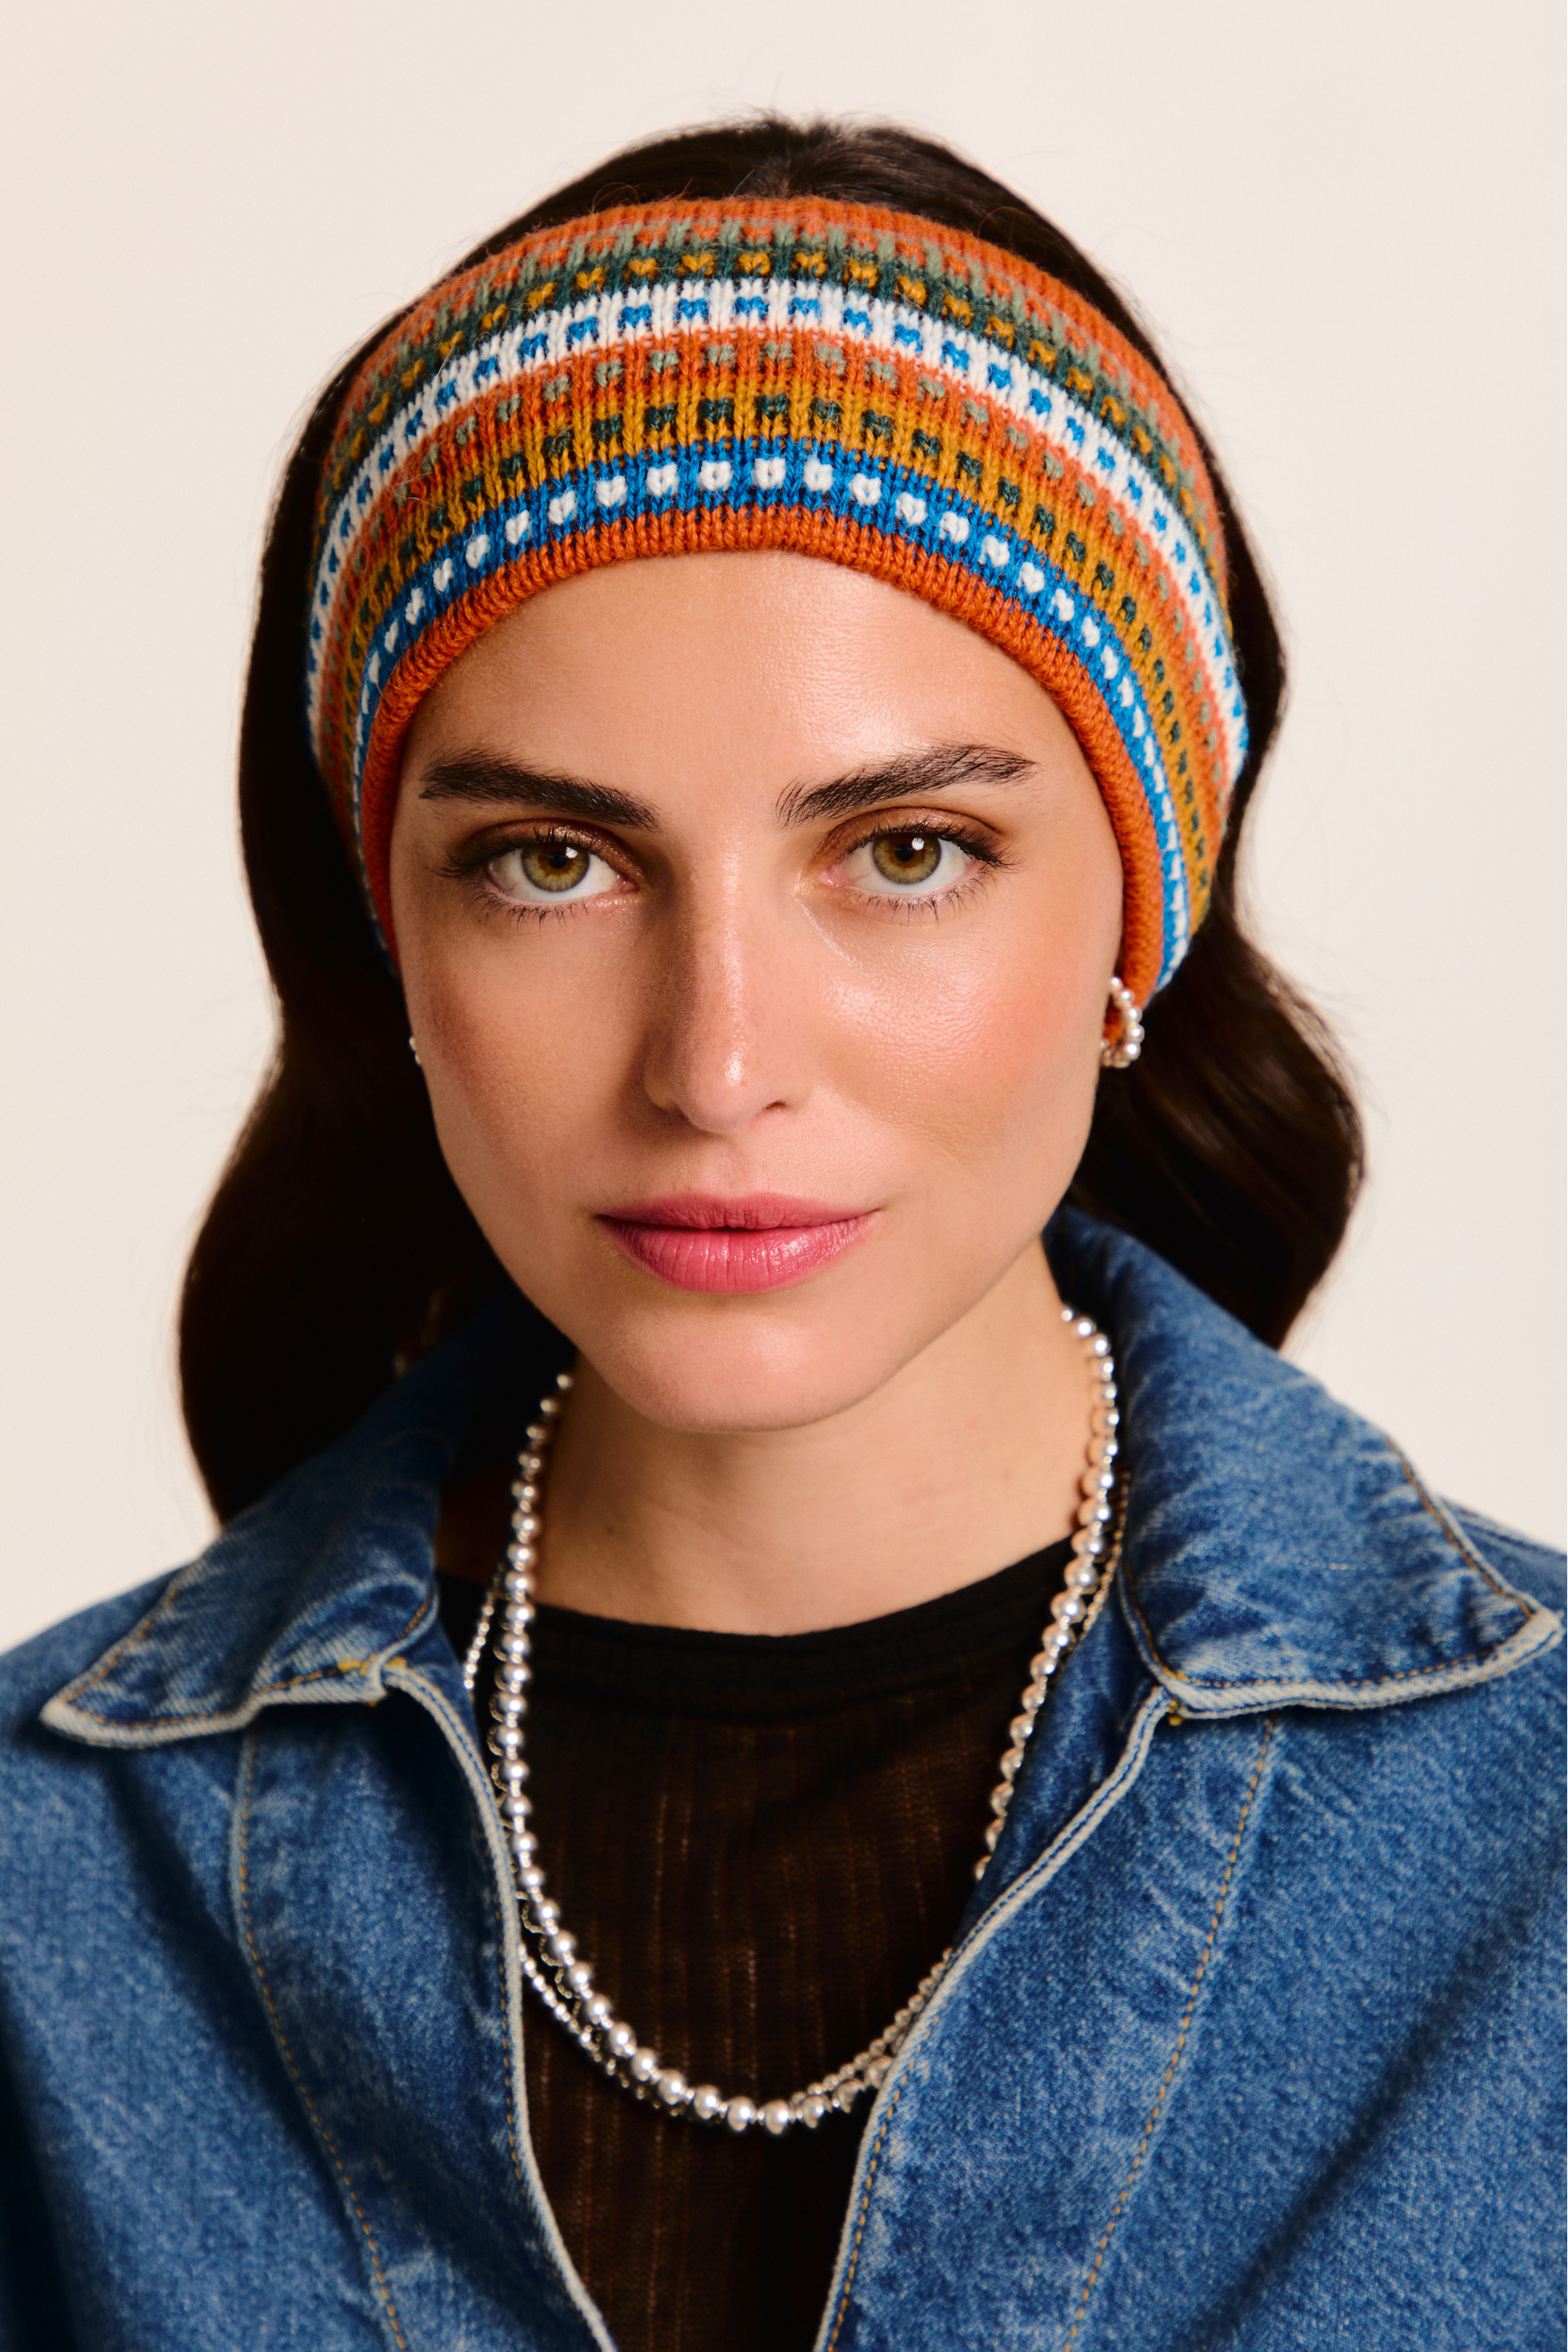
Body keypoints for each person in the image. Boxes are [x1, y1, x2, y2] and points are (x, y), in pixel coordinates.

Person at [0, 115, 1559, 2352]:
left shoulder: (1534, 1847)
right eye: (553, 862)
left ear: (1141, 918)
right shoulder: (47, 1888)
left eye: (905, 851)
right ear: (393, 944)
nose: (717, 1064)